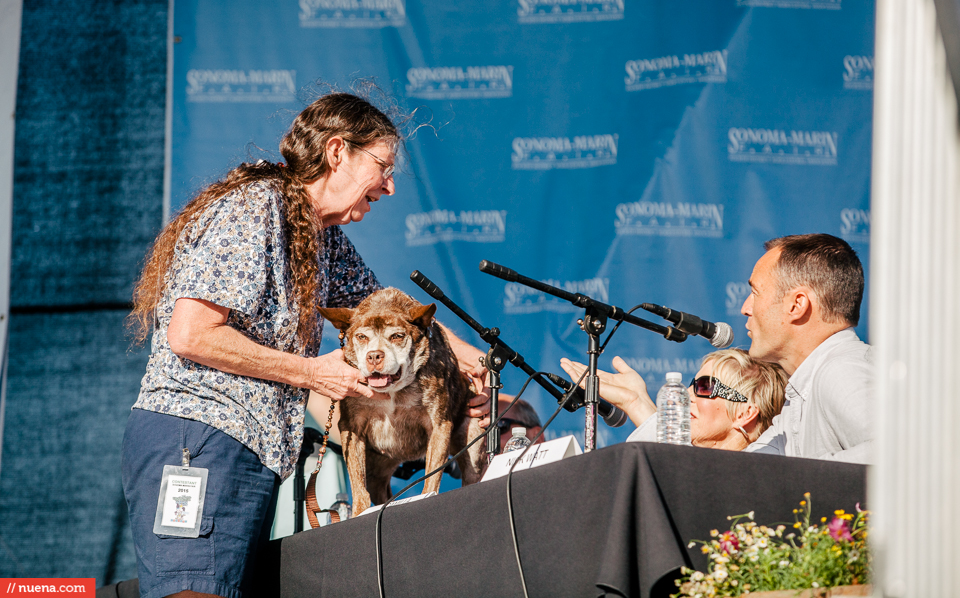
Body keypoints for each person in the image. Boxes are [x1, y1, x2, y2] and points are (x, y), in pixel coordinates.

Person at [122, 92, 489, 598]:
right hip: (198, 439)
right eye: (382, 165)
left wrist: (470, 363)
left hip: (246, 448)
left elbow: (386, 312)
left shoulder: (321, 235)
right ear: (337, 152)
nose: (389, 184)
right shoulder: (255, 208)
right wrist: (311, 373)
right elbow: (191, 334)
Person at [740, 233, 873, 462]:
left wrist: (809, 480)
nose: (745, 308)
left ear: (797, 304)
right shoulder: (804, 390)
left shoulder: (839, 371)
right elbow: (745, 470)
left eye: (755, 293)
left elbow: (904, 454)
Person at [560, 349, 786, 450]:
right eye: (691, 384)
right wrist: (634, 401)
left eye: (704, 387)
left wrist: (637, 404)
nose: (687, 396)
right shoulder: (698, 464)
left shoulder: (759, 468)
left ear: (745, 413)